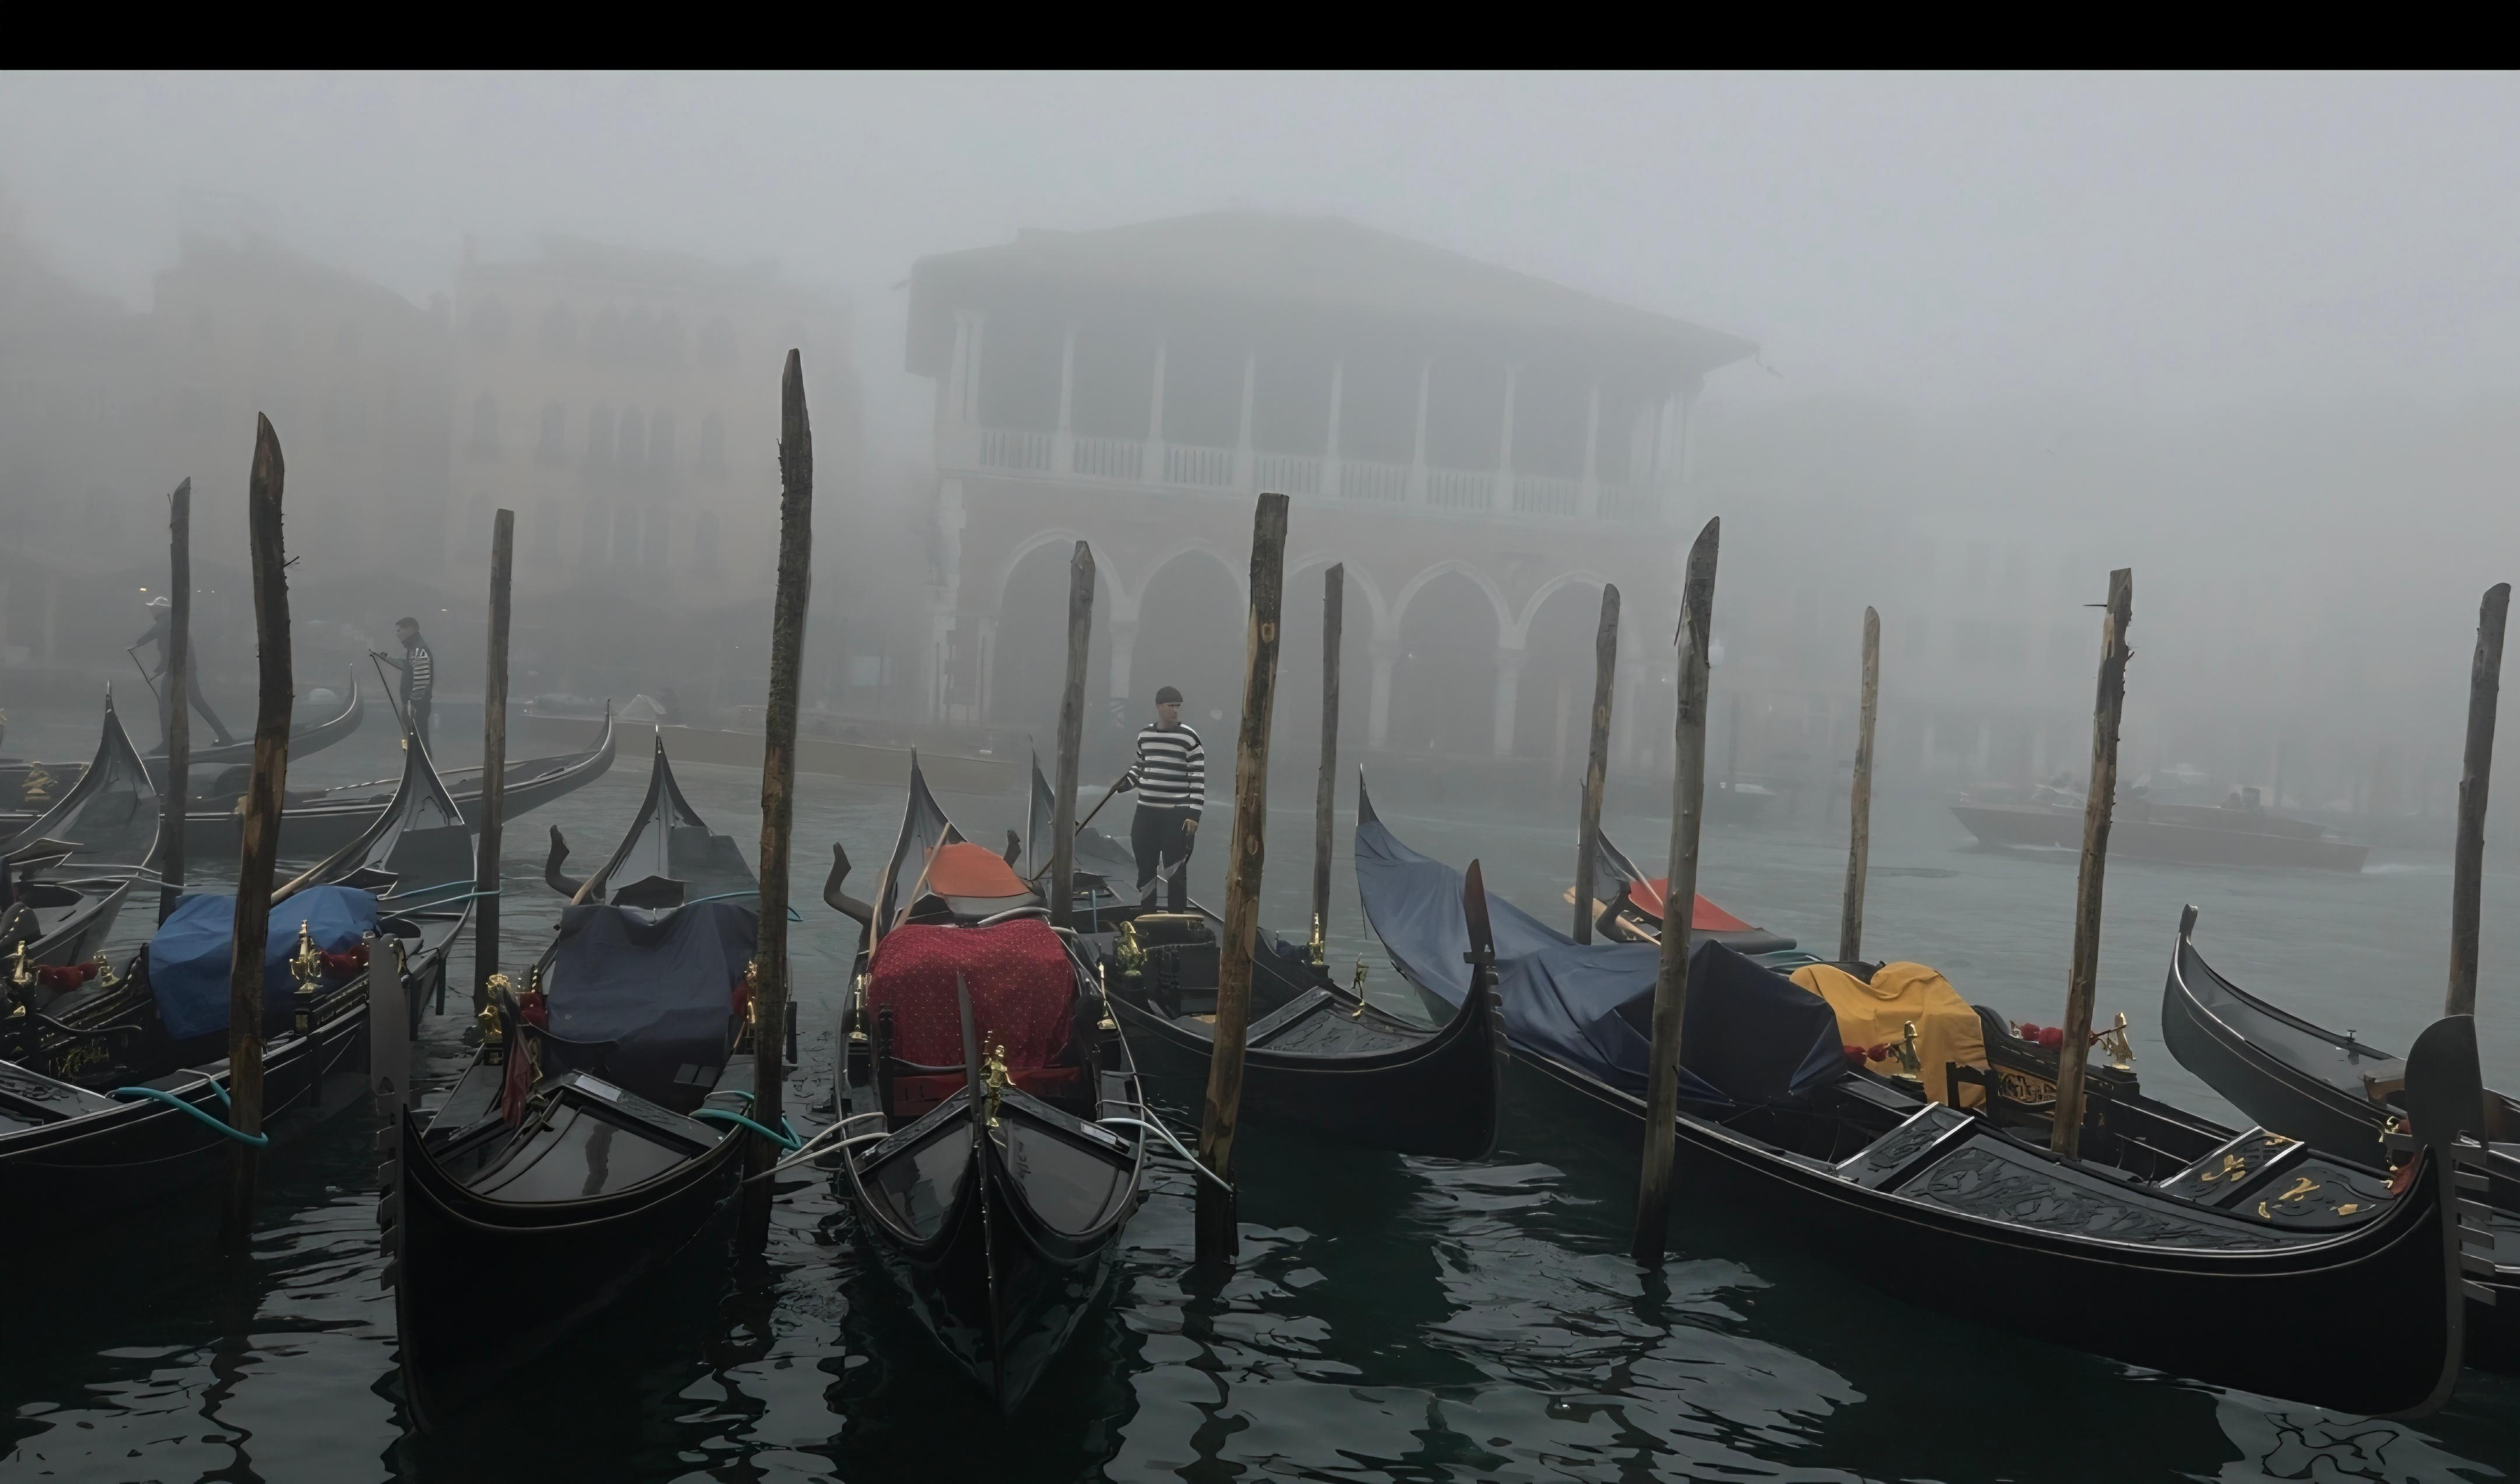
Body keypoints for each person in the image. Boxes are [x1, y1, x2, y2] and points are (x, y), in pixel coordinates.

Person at [1116, 684, 1205, 911]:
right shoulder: (1145, 735)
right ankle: (1147, 913)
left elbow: (1197, 777)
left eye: (1178, 706)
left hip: (1177, 813)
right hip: (1146, 812)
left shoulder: (1189, 737)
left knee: (1175, 868)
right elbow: (1142, 765)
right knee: (1146, 866)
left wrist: (1194, 814)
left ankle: (1177, 915)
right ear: (1159, 707)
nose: (1175, 711)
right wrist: (1127, 782)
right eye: (1170, 706)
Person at [134, 594, 238, 748]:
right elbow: (168, 650)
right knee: (196, 701)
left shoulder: (166, 621)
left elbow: (158, 637)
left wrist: (137, 643)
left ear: (158, 611)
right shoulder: (171, 622)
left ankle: (167, 744)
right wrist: (160, 668)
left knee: (166, 704)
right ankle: (224, 736)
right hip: (183, 667)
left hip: (179, 668)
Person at [373, 617, 436, 750]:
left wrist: (411, 708)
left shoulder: (419, 650)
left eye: (401, 628)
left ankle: (421, 767)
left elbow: (422, 681)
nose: (398, 632)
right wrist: (387, 659)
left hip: (416, 707)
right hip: (413, 706)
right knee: (415, 742)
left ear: (411, 629)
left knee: (420, 743)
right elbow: (409, 667)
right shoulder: (414, 649)